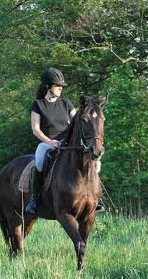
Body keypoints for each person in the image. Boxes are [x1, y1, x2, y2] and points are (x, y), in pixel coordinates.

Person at [25, 68, 104, 215]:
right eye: (57, 85)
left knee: (95, 162)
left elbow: (78, 122)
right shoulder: (38, 104)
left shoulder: (66, 103)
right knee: (40, 161)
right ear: (48, 86)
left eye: (62, 86)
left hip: (68, 143)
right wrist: (49, 142)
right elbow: (36, 129)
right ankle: (35, 199)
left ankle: (95, 198)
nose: (61, 88)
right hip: (47, 142)